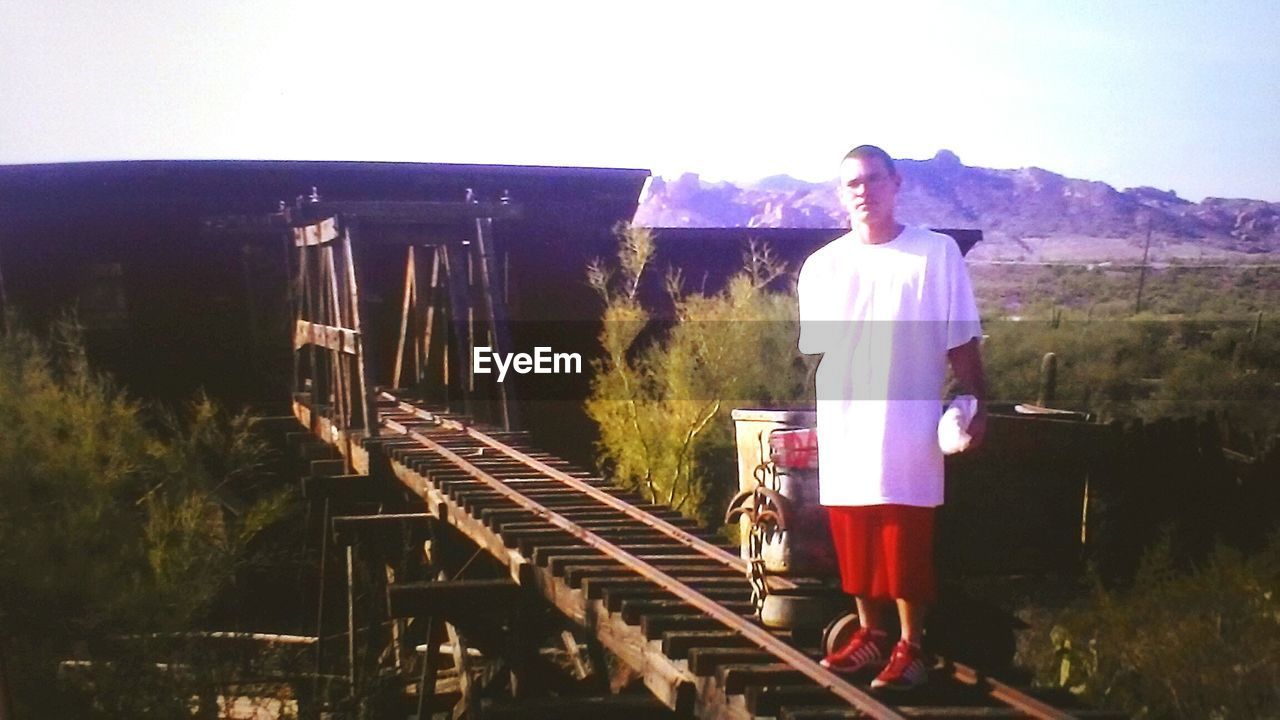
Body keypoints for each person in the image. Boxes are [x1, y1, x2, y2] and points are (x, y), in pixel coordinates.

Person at [796, 145, 987, 690]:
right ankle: (870, 635)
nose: (863, 190)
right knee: (855, 528)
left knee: (904, 532)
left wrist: (979, 400)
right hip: (846, 418)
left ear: (895, 183)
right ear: (842, 193)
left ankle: (911, 644)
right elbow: (826, 351)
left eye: (873, 179)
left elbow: (961, 338)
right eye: (852, 183)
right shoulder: (823, 266)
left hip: (907, 421)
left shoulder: (934, 254)